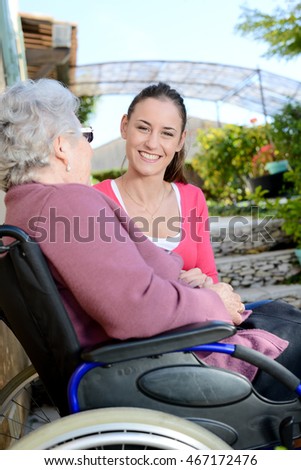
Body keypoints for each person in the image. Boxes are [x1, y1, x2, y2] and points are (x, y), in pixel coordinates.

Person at [0, 78, 300, 402]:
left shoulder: (26, 208)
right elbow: (134, 308)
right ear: (62, 147)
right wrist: (214, 302)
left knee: (279, 314)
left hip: (128, 359)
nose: (88, 146)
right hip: (154, 366)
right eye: (85, 136)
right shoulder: (68, 203)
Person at [94, 82, 217, 288]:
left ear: (180, 141)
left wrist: (206, 283)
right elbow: (98, 286)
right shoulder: (95, 199)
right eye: (143, 128)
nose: (152, 143)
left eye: (167, 133)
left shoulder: (193, 198)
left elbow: (210, 276)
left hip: (196, 318)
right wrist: (179, 284)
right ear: (125, 126)